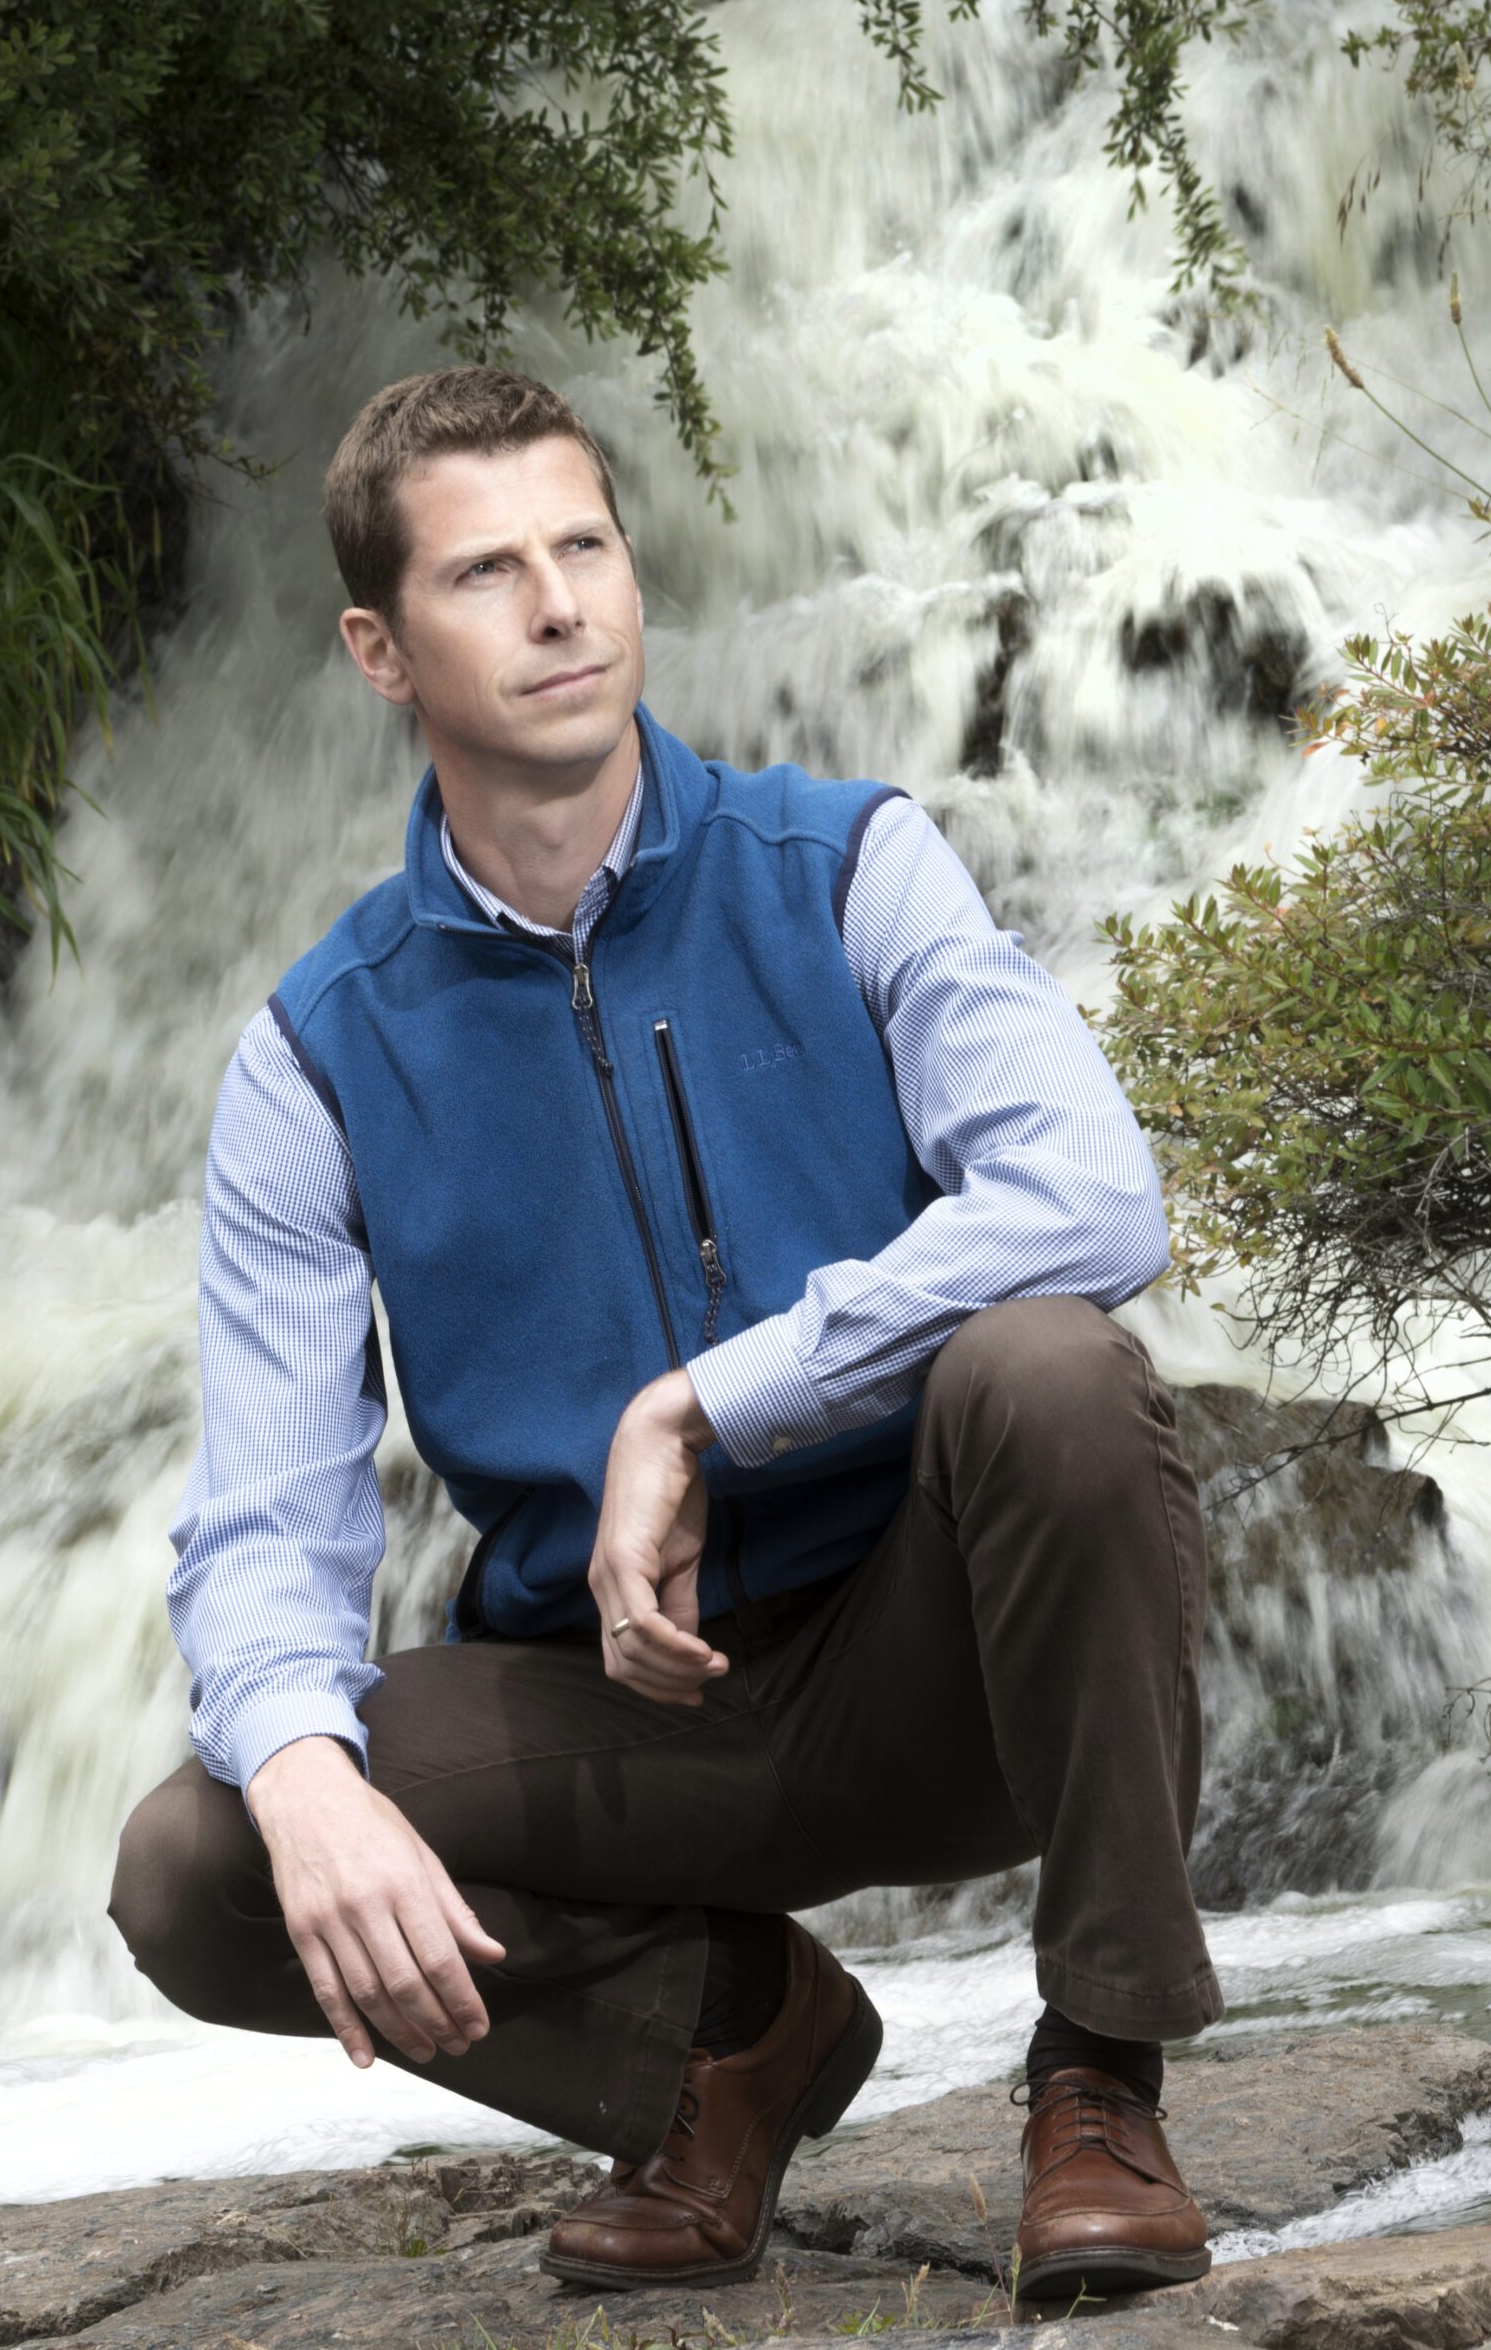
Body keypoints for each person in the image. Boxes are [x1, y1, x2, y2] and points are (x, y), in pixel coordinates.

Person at [108, 365, 1225, 2305]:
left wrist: (708, 1398)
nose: (558, 605)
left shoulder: (846, 861)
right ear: (379, 647)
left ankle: (1098, 2071)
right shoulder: (317, 1049)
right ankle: (728, 2036)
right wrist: (299, 1771)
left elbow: (1089, 1195)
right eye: (485, 573)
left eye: (584, 546)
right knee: (199, 1858)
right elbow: (264, 1512)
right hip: (626, 1716)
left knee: (1045, 1368)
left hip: (940, 1653)